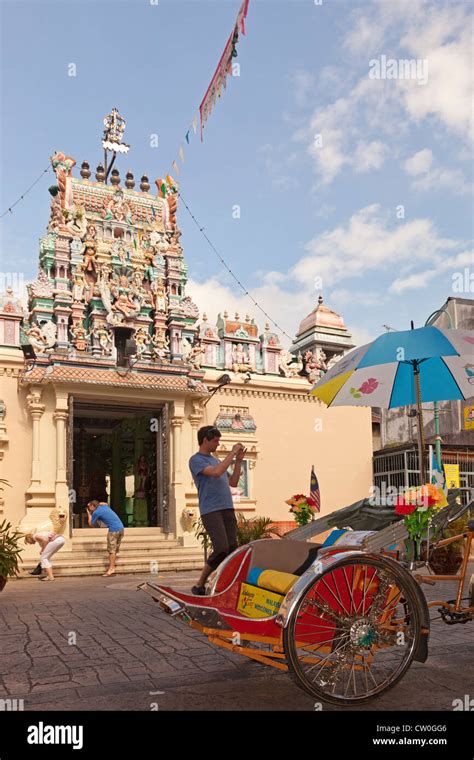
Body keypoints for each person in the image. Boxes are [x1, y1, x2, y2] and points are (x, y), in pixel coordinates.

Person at [189, 425, 246, 595]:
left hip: (227, 507)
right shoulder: (196, 460)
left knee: (232, 547)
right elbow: (215, 473)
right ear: (205, 440)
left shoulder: (216, 460)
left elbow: (233, 482)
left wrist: (238, 461)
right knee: (221, 547)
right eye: (215, 441)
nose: (217, 444)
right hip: (211, 510)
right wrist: (231, 453)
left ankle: (224, 582)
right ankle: (200, 583)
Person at [86, 498, 124, 576]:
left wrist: (89, 514)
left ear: (93, 506)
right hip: (121, 528)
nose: (90, 509)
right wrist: (99, 504)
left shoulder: (96, 512)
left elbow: (91, 524)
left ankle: (111, 568)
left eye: (90, 507)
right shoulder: (104, 507)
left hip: (113, 530)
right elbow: (105, 503)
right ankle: (112, 565)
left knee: (111, 550)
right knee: (114, 549)